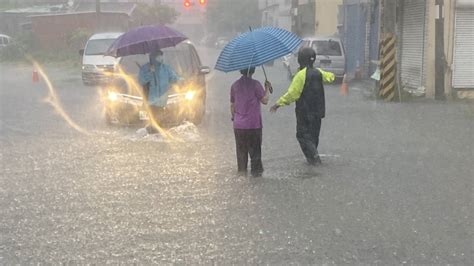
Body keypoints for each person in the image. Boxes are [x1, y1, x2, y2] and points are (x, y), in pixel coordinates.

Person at [270, 47, 335, 165]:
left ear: (300, 60)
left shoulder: (300, 76)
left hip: (304, 112)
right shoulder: (319, 72)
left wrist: (278, 104)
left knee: (302, 135)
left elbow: (292, 94)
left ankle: (315, 159)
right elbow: (330, 76)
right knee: (314, 137)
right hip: (318, 113)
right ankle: (312, 160)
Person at [231, 67, 270, 177]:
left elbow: (232, 105)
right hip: (253, 126)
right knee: (255, 156)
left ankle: (242, 178)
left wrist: (234, 119)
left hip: (239, 126)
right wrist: (267, 88)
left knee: (241, 155)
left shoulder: (234, 85)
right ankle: (256, 180)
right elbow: (265, 100)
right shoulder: (256, 85)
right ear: (253, 70)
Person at [139, 49, 180, 132]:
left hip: (162, 100)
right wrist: (150, 73)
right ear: (153, 57)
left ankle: (156, 134)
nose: (161, 58)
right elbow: (142, 81)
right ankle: (153, 134)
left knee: (159, 122)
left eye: (161, 56)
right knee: (155, 121)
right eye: (158, 56)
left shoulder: (166, 68)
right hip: (151, 101)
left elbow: (174, 78)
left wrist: (183, 80)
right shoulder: (145, 68)